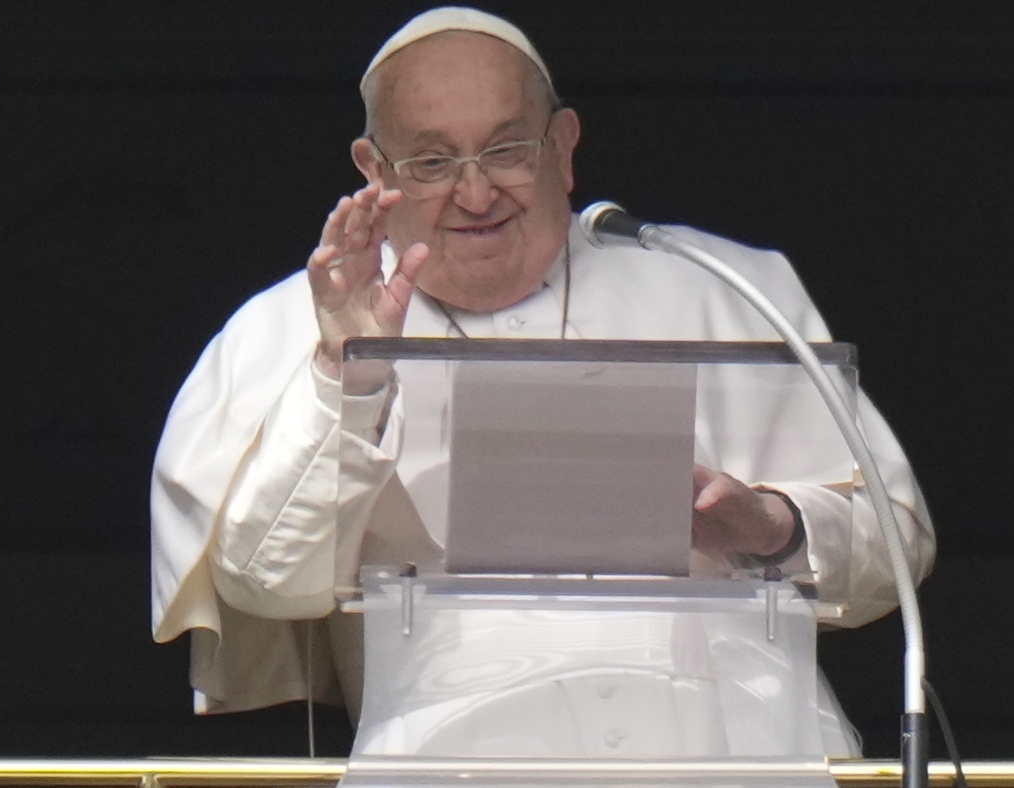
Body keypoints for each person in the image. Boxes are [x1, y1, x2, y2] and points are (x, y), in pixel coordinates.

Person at [151, 6, 935, 757]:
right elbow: (268, 583)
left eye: (506, 151)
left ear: (562, 147)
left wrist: (772, 527)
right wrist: (347, 375)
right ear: (373, 169)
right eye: (432, 163)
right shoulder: (295, 324)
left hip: (744, 750)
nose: (475, 194)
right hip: (452, 755)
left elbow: (896, 545)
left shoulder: (718, 284)